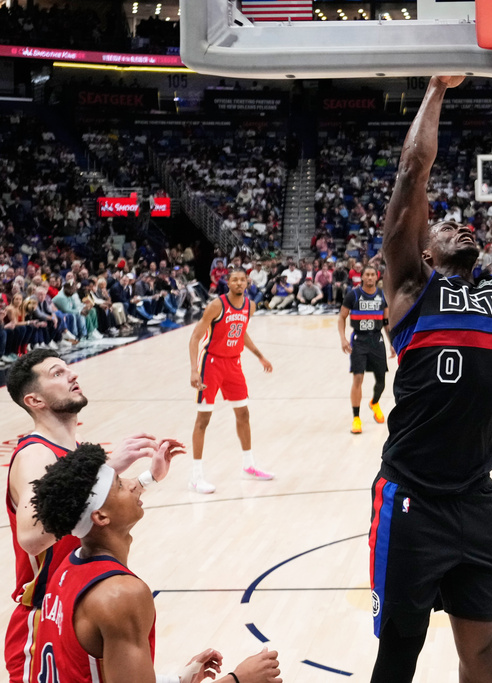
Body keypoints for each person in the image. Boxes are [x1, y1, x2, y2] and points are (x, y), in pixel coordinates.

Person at [369, 75, 492, 683]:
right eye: (445, 226)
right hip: (411, 496)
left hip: (475, 496)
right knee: (400, 653)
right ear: (423, 251)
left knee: (485, 652)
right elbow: (411, 175)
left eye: (465, 223)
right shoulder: (410, 290)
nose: (461, 225)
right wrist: (438, 87)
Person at [28, 444, 283, 683]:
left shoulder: (66, 569)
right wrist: (238, 679)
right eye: (119, 485)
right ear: (101, 516)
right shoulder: (120, 595)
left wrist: (178, 679)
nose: (132, 485)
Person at [4, 349, 183, 682]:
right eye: (57, 373)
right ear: (35, 400)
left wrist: (147, 478)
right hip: (44, 614)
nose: (72, 375)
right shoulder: (35, 454)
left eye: (68, 370)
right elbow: (30, 538)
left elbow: (96, 508)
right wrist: (107, 469)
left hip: (79, 600)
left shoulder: (74, 445)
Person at [188, 267, 274, 494]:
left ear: (247, 283)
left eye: (242, 280)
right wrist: (194, 370)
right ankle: (196, 477)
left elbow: (240, 331)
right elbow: (196, 337)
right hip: (211, 365)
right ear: (228, 282)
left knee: (243, 414)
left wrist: (259, 355)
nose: (239, 283)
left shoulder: (250, 306)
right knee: (203, 419)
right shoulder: (217, 305)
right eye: (234, 279)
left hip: (234, 364)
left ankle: (249, 465)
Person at [338, 264, 394, 434]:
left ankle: (374, 403)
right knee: (358, 378)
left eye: (372, 275)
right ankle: (356, 418)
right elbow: (341, 317)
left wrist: (392, 342)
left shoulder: (382, 296)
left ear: (377, 277)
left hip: (377, 340)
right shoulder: (353, 295)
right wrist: (343, 339)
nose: (369, 277)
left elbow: (386, 322)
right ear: (361, 277)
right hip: (359, 341)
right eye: (367, 275)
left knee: (381, 381)